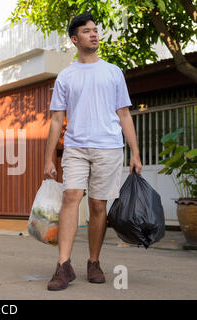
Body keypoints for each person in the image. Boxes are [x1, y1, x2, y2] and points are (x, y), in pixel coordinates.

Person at [43, 13, 142, 291]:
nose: (94, 34)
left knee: (98, 205)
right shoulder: (66, 76)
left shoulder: (113, 72)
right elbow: (55, 119)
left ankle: (94, 261)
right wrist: (49, 156)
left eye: (95, 30)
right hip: (75, 146)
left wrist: (134, 152)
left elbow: (124, 114)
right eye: (87, 31)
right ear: (75, 39)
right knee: (71, 197)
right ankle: (63, 265)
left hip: (108, 147)